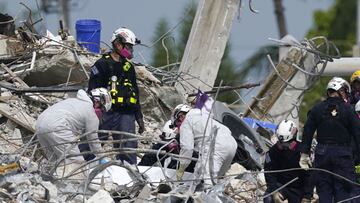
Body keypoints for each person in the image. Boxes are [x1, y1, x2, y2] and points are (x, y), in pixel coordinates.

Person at [88, 27, 144, 164]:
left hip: (126, 114)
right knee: (95, 142)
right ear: (118, 44)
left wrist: (139, 117)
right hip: (105, 112)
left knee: (128, 146)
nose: (130, 50)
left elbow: (135, 92)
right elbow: (93, 90)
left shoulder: (128, 67)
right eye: (128, 47)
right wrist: (94, 113)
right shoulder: (102, 64)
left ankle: (130, 174)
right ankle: (86, 167)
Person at [299, 77, 360, 202]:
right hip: (342, 155)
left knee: (324, 189)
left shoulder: (317, 109)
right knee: (343, 190)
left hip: (322, 154)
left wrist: (304, 154)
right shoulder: (348, 110)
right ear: (342, 91)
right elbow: (357, 134)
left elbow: (308, 131)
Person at [36, 88, 111, 164]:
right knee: (75, 161)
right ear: (97, 101)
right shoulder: (91, 112)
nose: (100, 113)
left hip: (39, 125)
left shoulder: (73, 101)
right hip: (58, 127)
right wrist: (101, 157)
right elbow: (93, 140)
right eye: (102, 110)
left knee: (54, 161)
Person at [175, 98, 238, 186]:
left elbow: (187, 147)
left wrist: (181, 168)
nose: (178, 126)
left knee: (206, 180)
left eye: (178, 123)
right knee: (214, 179)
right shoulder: (205, 116)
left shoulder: (186, 121)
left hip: (216, 145)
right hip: (232, 144)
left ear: (181, 116)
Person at [263, 120, 312, 203]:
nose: (282, 146)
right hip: (281, 185)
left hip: (298, 189)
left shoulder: (303, 153)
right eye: (280, 143)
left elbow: (309, 176)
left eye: (285, 143)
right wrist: (274, 191)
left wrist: (307, 196)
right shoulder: (274, 151)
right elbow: (269, 171)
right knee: (269, 199)